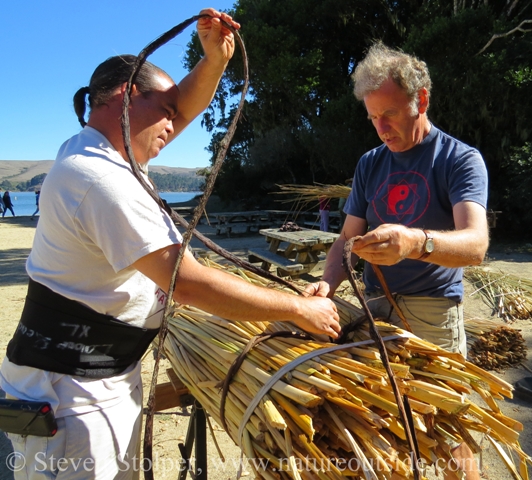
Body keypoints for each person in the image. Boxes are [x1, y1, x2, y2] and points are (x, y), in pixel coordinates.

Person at [0, 9, 340, 480]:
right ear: (125, 98)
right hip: (70, 394)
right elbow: (189, 284)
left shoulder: (98, 153)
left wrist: (215, 59)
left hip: (96, 380)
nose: (174, 125)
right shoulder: (97, 177)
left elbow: (182, 104)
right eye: (165, 112)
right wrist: (296, 309)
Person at [315, 43, 488, 480]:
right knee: (385, 418)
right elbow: (346, 240)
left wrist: (415, 242)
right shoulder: (370, 164)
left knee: (449, 427)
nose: (381, 127)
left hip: (432, 311)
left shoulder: (459, 159)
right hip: (376, 306)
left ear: (421, 100)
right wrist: (326, 286)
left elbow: (476, 244)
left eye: (389, 113)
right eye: (372, 117)